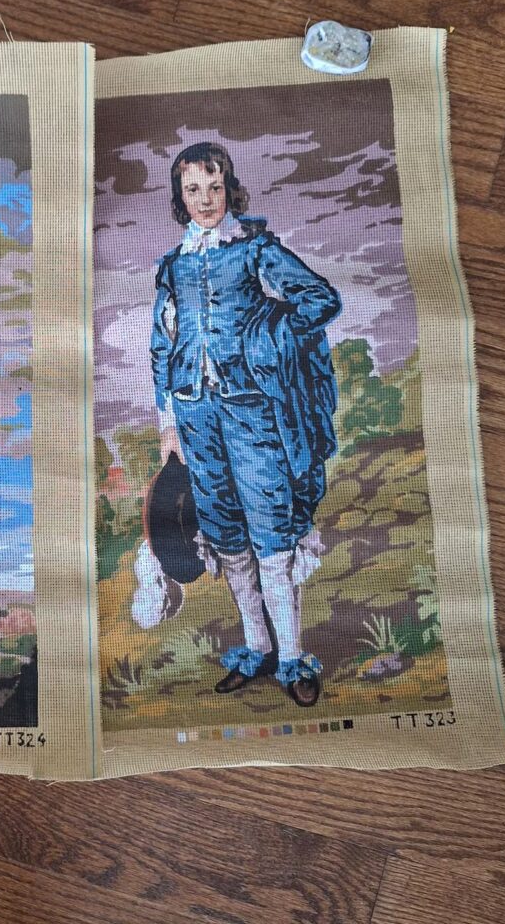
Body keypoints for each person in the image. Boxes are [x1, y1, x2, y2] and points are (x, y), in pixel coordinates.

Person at [150, 141, 341, 707]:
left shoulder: (256, 250)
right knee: (226, 534)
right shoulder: (174, 265)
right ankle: (257, 648)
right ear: (180, 198)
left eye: (214, 187)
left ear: (229, 190)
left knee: (271, 532)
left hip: (252, 413)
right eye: (193, 190)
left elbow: (320, 299)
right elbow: (162, 345)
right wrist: (168, 421)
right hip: (194, 416)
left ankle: (292, 657)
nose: (205, 199)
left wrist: (266, 338)